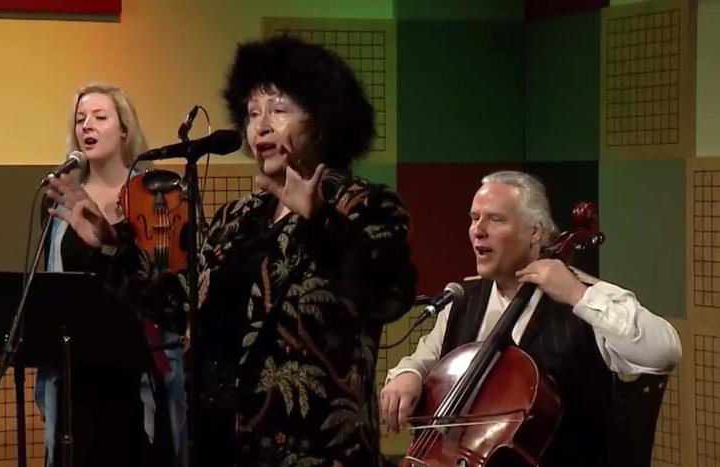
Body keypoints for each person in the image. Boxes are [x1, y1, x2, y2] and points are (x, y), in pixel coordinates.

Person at [45, 36, 417, 466]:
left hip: (316, 451)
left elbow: (390, 295)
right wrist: (112, 249)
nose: (261, 126)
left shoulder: (363, 205)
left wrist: (321, 220)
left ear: (321, 122)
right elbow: (183, 305)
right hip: (221, 448)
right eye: (253, 113)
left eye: (279, 111)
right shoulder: (235, 217)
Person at [380, 170, 682, 466]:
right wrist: (409, 374)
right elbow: (424, 360)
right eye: (474, 218)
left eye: (495, 219)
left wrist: (578, 295)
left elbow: (664, 351)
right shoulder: (463, 299)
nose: (478, 230)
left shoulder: (585, 297)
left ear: (535, 232)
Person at [34, 82, 184, 467]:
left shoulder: (156, 196)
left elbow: (167, 288)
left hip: (137, 372)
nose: (87, 125)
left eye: (100, 117)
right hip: (78, 373)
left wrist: (110, 246)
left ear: (124, 129)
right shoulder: (63, 202)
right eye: (80, 119)